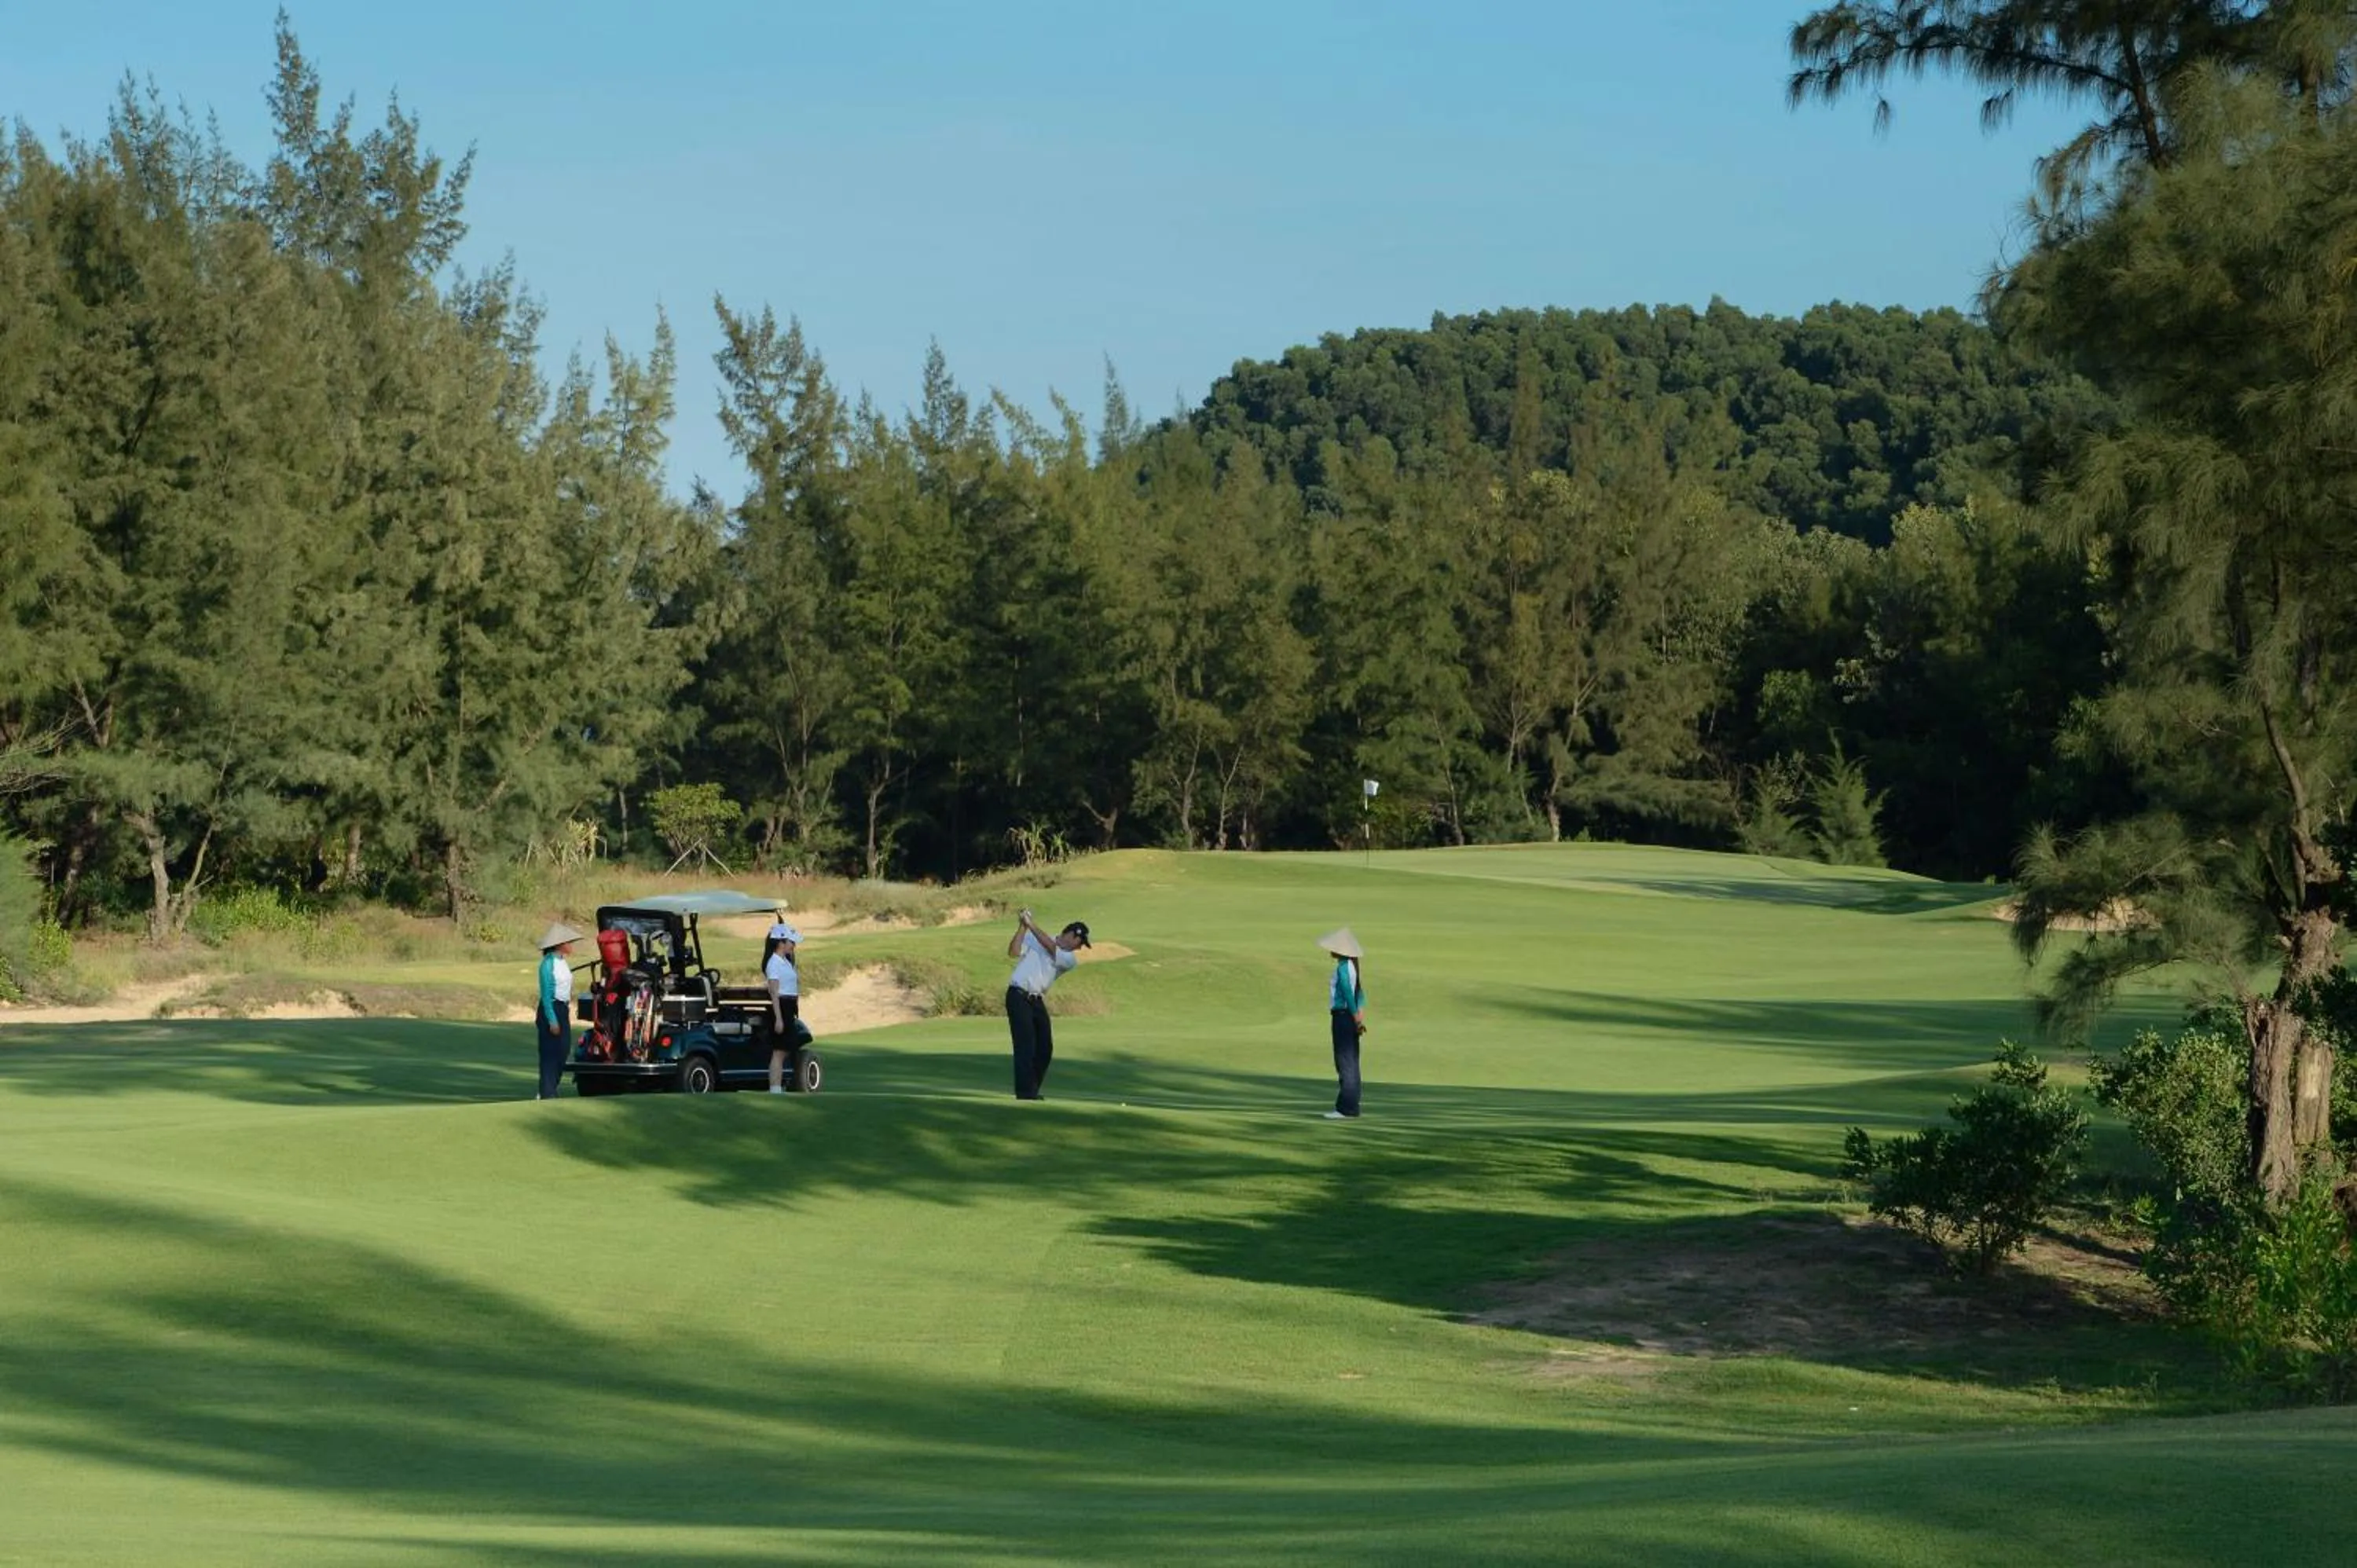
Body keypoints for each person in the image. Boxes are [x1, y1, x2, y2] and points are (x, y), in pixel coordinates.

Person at [1005, 907, 1089, 1101]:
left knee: (1045, 1048)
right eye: (1080, 943)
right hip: (1018, 996)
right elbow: (1014, 951)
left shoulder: (1069, 959)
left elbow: (1050, 947)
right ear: (1072, 935)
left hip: (1037, 1000)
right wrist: (1022, 927)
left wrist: (1031, 924)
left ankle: (1032, 1089)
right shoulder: (1037, 937)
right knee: (1025, 1045)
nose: (1079, 948)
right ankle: (1026, 1093)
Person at [1318, 928, 1365, 1119]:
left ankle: (1346, 1109)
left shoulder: (1343, 967)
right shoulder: (1352, 966)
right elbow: (1360, 994)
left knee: (1345, 1062)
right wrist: (1359, 1016)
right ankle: (1350, 1107)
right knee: (1351, 1061)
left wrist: (1355, 1017)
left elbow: (1348, 991)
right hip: (1348, 1016)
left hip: (1343, 1016)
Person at [535, 923, 584, 1100]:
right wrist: (552, 1020)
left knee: (562, 1050)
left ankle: (550, 1089)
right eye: (568, 942)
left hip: (562, 1008)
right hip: (551, 1010)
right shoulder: (547, 965)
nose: (571, 945)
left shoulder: (563, 962)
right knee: (550, 1052)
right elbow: (547, 995)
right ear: (559, 944)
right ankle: (547, 1092)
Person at [763, 921, 802, 1094]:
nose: (793, 945)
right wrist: (778, 1018)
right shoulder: (774, 963)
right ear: (780, 943)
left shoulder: (785, 961)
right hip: (781, 1008)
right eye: (790, 942)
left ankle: (778, 1086)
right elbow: (774, 992)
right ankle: (775, 1089)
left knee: (787, 1048)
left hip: (789, 1006)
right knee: (779, 1051)